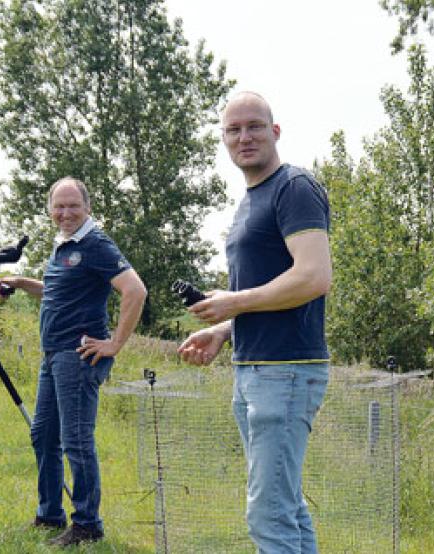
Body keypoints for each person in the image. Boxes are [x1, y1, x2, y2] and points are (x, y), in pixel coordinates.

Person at [177, 91, 332, 554]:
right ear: (223, 139)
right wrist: (223, 329)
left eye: (254, 127)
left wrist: (234, 301)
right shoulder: (250, 202)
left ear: (275, 131)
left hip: (285, 370)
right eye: (233, 130)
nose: (244, 137)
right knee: (286, 505)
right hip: (255, 370)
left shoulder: (294, 187)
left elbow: (313, 276)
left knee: (268, 514)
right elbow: (268, 292)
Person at [0, 176, 147, 547]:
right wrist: (19, 281)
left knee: (76, 440)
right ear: (51, 209)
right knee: (43, 436)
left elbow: (135, 290)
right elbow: (55, 290)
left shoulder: (95, 243)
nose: (65, 213)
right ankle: (49, 514)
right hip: (52, 356)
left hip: (77, 356)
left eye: (73, 206)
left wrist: (114, 343)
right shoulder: (63, 246)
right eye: (59, 206)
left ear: (87, 208)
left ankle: (87, 525)